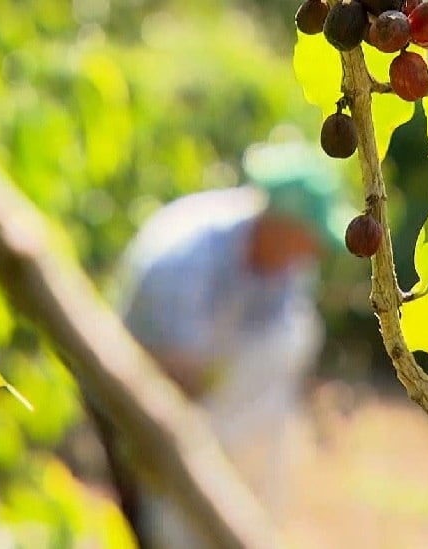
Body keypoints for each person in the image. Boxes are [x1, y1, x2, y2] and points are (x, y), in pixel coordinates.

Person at [112, 140, 351, 547]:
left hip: (205, 395)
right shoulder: (187, 259)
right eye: (307, 240)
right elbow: (171, 370)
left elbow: (279, 352)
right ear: (281, 225)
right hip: (134, 394)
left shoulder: (285, 267)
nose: (312, 254)